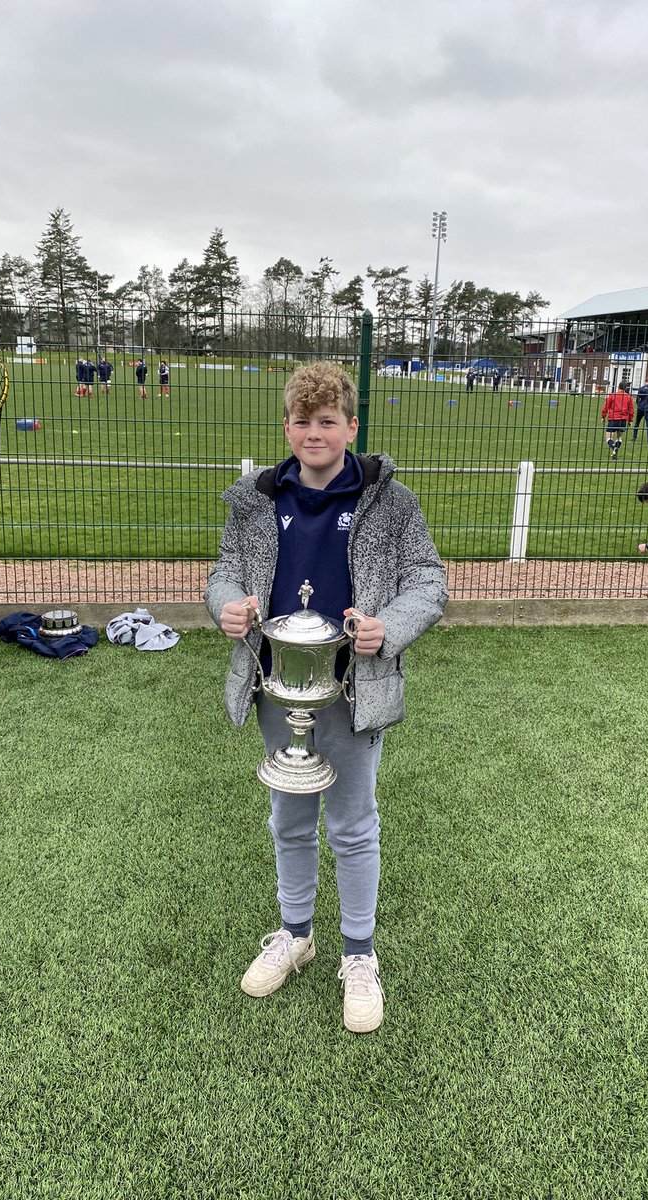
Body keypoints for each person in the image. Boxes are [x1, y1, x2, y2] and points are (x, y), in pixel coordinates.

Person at [205, 361, 448, 1034]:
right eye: (303, 421)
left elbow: (428, 579)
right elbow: (224, 571)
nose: (314, 432)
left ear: (351, 426)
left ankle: (360, 955)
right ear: (286, 426)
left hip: (352, 686)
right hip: (277, 685)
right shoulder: (254, 497)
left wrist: (385, 628)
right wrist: (227, 604)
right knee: (288, 818)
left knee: (351, 823)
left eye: (328, 421)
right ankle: (295, 934)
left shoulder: (390, 502)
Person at [600, 381, 634, 459]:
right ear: (626, 388)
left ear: (618, 387)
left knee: (608, 437)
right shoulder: (629, 397)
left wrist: (603, 416)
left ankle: (614, 448)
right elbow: (631, 410)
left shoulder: (612, 396)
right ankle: (615, 450)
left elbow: (606, 406)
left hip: (613, 419)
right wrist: (630, 421)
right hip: (623, 420)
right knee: (619, 437)